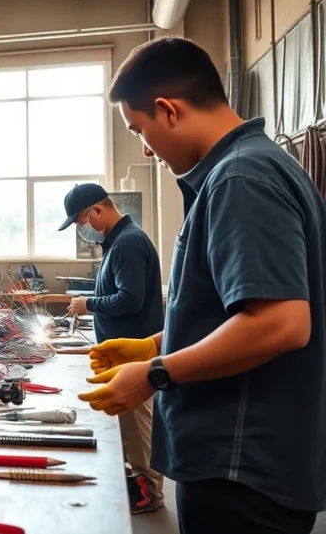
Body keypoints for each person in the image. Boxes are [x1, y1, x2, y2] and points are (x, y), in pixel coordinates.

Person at [79, 37, 326, 534]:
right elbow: (228, 315)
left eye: (140, 130)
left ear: (168, 109)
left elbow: (280, 324)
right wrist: (152, 344)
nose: (145, 148)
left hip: (240, 468)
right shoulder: (253, 168)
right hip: (241, 462)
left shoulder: (241, 177)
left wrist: (156, 372)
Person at [57, 183, 164, 514]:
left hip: (132, 356)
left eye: (80, 223)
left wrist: (87, 304)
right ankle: (135, 481)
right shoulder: (117, 242)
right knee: (128, 425)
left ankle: (149, 492)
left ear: (97, 211)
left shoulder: (128, 244)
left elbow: (130, 299)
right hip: (121, 354)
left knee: (137, 425)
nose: (82, 230)